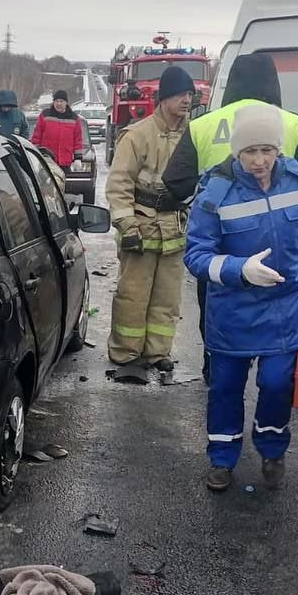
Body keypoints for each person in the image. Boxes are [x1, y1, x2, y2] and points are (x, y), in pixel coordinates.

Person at [163, 53, 298, 385]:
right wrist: (292, 212)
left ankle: (216, 371)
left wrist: (202, 207)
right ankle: (274, 377)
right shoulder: (292, 123)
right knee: (280, 317)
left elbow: (174, 181)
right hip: (279, 248)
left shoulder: (203, 123)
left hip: (220, 244)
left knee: (218, 310)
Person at [184, 104, 298, 491]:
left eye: (267, 150)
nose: (259, 160)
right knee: (226, 385)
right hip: (234, 310)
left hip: (290, 305)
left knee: (279, 383)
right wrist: (239, 270)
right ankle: (222, 456)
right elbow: (196, 255)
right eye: (250, 152)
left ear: (278, 149)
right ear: (236, 151)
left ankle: (271, 446)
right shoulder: (214, 195)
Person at [105, 66, 195, 381]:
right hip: (141, 227)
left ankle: (158, 353)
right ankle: (126, 353)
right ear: (165, 98)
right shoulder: (137, 135)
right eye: (181, 94)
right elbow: (119, 184)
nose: (187, 100)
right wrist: (127, 227)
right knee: (133, 295)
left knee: (167, 297)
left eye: (190, 95)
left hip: (173, 227)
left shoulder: (192, 135)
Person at [30, 90, 83, 170]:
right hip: (47, 160)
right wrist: (35, 154)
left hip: (65, 161)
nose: (58, 104)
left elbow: (78, 139)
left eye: (61, 101)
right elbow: (36, 136)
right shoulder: (45, 115)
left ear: (66, 102)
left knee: (62, 182)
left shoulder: (74, 118)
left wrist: (78, 158)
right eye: (56, 101)